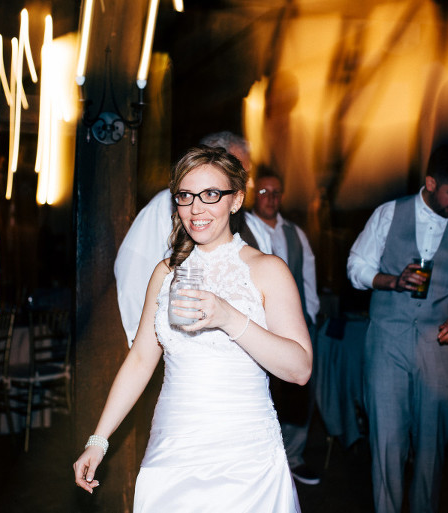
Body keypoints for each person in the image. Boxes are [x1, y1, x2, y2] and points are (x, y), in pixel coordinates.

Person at [73, 146, 312, 512]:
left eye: (211, 195)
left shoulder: (267, 270)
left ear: (236, 201)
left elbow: (299, 369)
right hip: (172, 454)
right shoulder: (165, 273)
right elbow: (139, 361)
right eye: (185, 195)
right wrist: (98, 440)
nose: (196, 208)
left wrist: (229, 317)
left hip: (246, 460)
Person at [346, 144, 448, 513]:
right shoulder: (388, 214)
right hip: (387, 342)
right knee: (387, 443)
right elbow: (356, 267)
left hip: (440, 347)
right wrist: (392, 281)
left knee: (432, 445)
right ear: (431, 183)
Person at [113, 131, 261, 346]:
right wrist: (143, 337)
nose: (248, 181)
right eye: (240, 170)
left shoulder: (254, 228)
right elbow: (133, 269)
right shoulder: (163, 206)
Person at [246, 166, 321, 485]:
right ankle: (259, 459)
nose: (271, 198)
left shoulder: (295, 233)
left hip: (292, 325)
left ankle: (294, 455)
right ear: (253, 194)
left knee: (297, 392)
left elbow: (309, 276)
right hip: (253, 327)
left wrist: (311, 316)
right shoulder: (242, 228)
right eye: (264, 192)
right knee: (260, 393)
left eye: (276, 192)